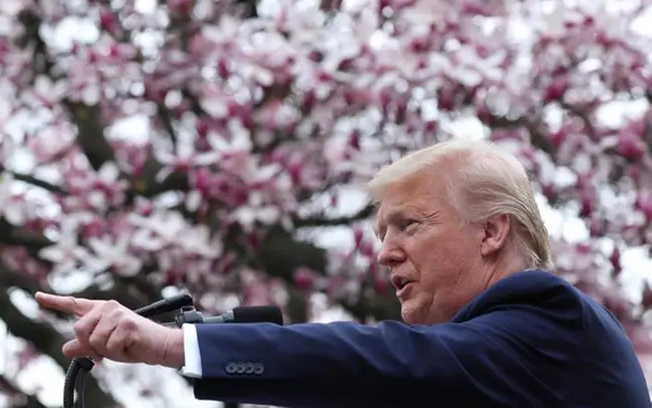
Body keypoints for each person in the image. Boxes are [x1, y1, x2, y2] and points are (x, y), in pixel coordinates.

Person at [35, 139, 652, 407]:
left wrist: (175, 343)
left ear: (491, 232)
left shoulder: (547, 321)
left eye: (409, 225)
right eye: (382, 233)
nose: (384, 253)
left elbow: (386, 360)